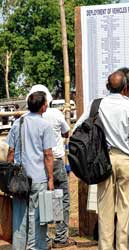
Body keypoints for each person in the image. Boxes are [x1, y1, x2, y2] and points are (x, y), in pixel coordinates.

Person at [77, 69, 129, 249]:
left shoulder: (97, 104)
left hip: (103, 160)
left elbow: (79, 127)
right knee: (125, 210)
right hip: (126, 161)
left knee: (105, 210)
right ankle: (123, 246)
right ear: (126, 87)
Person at [6, 91, 55, 249]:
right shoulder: (45, 125)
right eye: (46, 102)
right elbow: (48, 154)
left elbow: (11, 153)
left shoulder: (17, 123)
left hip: (19, 179)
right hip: (39, 178)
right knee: (37, 218)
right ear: (42, 107)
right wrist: (51, 179)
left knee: (19, 218)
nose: (46, 105)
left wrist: (9, 176)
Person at [27, 84, 74, 248]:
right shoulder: (55, 114)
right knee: (63, 199)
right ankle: (61, 238)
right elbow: (67, 132)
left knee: (40, 201)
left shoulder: (26, 119)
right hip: (56, 161)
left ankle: (44, 239)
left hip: (37, 165)